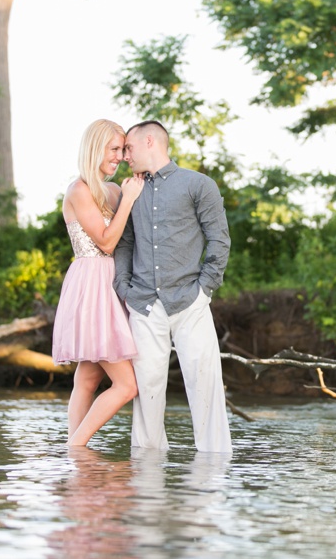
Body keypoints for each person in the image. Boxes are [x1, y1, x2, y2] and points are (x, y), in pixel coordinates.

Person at [113, 120, 232, 453]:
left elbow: (219, 239)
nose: (125, 156)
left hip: (190, 300)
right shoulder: (129, 190)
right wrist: (123, 287)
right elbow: (125, 242)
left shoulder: (198, 184)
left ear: (150, 141)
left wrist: (205, 288)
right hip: (143, 302)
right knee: (147, 389)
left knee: (205, 384)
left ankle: (213, 471)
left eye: (129, 148)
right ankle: (147, 477)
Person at [53, 118, 145, 446]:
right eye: (114, 149)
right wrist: (130, 199)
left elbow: (129, 235)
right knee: (126, 385)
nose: (120, 156)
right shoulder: (79, 190)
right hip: (92, 285)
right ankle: (76, 447)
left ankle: (74, 459)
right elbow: (106, 242)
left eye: (123, 149)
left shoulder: (115, 189)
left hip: (113, 280)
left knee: (89, 376)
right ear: (96, 148)